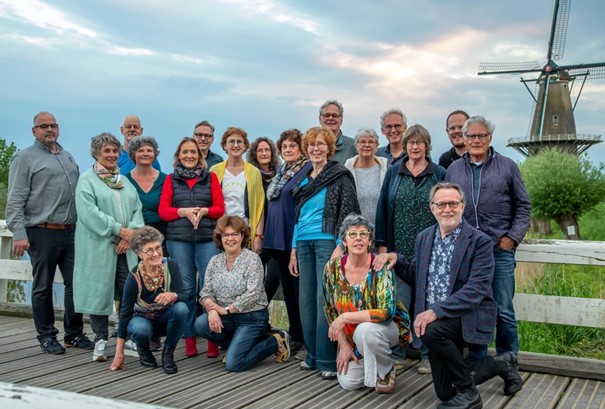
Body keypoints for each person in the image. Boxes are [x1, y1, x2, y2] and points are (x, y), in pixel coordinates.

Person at [375, 182, 522, 409]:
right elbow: (418, 275)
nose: (447, 209)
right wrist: (397, 260)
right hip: (436, 318)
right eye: (441, 204)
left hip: (465, 315)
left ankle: (469, 394)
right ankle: (501, 364)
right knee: (445, 392)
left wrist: (435, 311)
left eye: (453, 203)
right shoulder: (424, 237)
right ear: (432, 208)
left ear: (462, 206)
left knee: (429, 331)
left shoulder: (479, 241)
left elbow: (477, 289)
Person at [6, 111, 94, 354]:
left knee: (76, 283)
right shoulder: (24, 158)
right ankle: (46, 335)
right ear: (34, 131)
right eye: (43, 126)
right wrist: (19, 233)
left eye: (53, 125)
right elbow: (15, 200)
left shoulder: (67, 156)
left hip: (71, 231)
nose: (49, 130)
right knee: (43, 286)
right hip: (41, 231)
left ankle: (74, 334)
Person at [446, 116, 531, 363]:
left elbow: (523, 205)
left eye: (481, 135)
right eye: (471, 136)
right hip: (466, 252)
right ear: (464, 138)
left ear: (490, 138)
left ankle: (508, 361)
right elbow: (448, 206)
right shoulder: (454, 170)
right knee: (470, 307)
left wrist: (512, 238)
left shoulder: (507, 166)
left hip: (498, 250)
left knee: (503, 309)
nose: (476, 140)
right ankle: (476, 361)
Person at [288, 126, 361, 380]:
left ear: (329, 148)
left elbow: (350, 213)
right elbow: (297, 218)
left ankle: (328, 359)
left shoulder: (339, 175)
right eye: (311, 144)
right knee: (305, 301)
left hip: (327, 243)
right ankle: (313, 355)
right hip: (304, 243)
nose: (316, 148)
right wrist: (294, 250)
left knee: (324, 301)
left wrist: (341, 246)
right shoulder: (304, 178)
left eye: (321, 144)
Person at [375, 124, 446, 373]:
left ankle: (428, 354)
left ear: (427, 145)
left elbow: (447, 208)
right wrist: (382, 247)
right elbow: (382, 210)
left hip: (431, 251)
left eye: (419, 142)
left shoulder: (439, 173)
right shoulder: (394, 172)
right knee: (398, 303)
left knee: (428, 305)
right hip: (398, 252)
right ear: (405, 146)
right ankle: (397, 351)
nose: (415, 147)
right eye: (410, 143)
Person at [73, 132, 144, 362]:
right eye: (107, 151)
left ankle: (126, 336)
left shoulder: (123, 181)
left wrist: (129, 235)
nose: (112, 155)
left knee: (128, 291)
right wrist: (117, 230)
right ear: (96, 153)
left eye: (115, 151)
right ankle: (101, 339)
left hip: (124, 248)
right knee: (99, 290)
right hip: (99, 246)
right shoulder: (87, 180)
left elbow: (137, 210)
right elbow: (89, 213)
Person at [323, 214, 411, 394]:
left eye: (364, 234)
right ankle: (371, 364)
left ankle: (386, 370)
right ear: (344, 242)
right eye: (352, 234)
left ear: (370, 241)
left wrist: (345, 317)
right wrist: (344, 346)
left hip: (387, 329)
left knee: (365, 330)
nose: (358, 239)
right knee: (350, 382)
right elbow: (330, 310)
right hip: (351, 338)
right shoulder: (332, 268)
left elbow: (386, 312)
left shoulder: (380, 266)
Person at [195, 215, 291, 372]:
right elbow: (206, 291)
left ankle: (276, 341)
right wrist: (212, 309)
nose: (230, 239)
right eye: (226, 235)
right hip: (225, 317)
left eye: (235, 234)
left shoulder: (252, 259)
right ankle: (238, 346)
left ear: (242, 236)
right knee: (201, 324)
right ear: (220, 237)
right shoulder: (214, 261)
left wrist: (225, 310)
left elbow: (252, 294)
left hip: (251, 318)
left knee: (234, 364)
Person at [158, 137, 225, 358]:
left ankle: (213, 340)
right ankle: (188, 340)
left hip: (206, 239)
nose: (189, 156)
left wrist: (204, 211)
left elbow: (219, 208)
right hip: (179, 241)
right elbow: (163, 211)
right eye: (185, 152)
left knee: (209, 288)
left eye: (193, 152)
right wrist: (183, 212)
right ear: (179, 155)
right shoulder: (171, 179)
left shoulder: (211, 178)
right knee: (185, 290)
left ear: (200, 156)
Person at [109, 226, 189, 374]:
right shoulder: (134, 277)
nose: (156, 253)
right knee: (140, 329)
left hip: (164, 320)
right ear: (139, 254)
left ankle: (168, 354)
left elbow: (185, 295)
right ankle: (143, 349)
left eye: (158, 248)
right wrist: (119, 352)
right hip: (142, 321)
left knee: (181, 308)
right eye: (149, 250)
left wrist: (173, 295)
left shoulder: (171, 266)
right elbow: (125, 313)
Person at [263, 129, 310, 356]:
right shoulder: (281, 171)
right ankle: (295, 333)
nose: (288, 150)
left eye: (293, 146)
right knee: (288, 289)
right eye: (284, 147)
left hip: (295, 238)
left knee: (300, 289)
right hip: (276, 239)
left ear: (301, 148)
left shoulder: (307, 170)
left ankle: (305, 335)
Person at [210, 127, 265, 254]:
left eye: (239, 142)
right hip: (221, 231)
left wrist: (258, 236)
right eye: (231, 142)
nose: (235, 145)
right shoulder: (215, 171)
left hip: (244, 231)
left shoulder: (253, 172)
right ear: (225, 146)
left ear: (245, 146)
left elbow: (260, 207)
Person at [247, 137, 280, 299]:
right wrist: (257, 235)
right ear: (254, 154)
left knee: (274, 277)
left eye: (267, 149)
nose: (264, 153)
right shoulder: (251, 176)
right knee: (254, 279)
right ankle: (258, 318)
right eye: (260, 150)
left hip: (275, 236)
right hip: (255, 235)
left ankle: (262, 307)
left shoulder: (281, 175)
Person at [125, 136, 167, 243]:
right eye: (140, 150)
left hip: (161, 233)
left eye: (149, 150)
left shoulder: (166, 179)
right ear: (133, 154)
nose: (145, 153)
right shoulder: (124, 180)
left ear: (154, 155)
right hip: (133, 233)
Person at [343, 127, 388, 226]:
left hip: (382, 228)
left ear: (377, 146)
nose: (367, 145)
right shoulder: (346, 171)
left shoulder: (386, 169)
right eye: (362, 142)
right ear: (356, 146)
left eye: (371, 142)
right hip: (355, 231)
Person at [318, 99, 356, 164]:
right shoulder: (309, 146)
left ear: (341, 120)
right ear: (320, 119)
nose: (330, 118)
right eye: (327, 115)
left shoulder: (354, 146)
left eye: (335, 116)